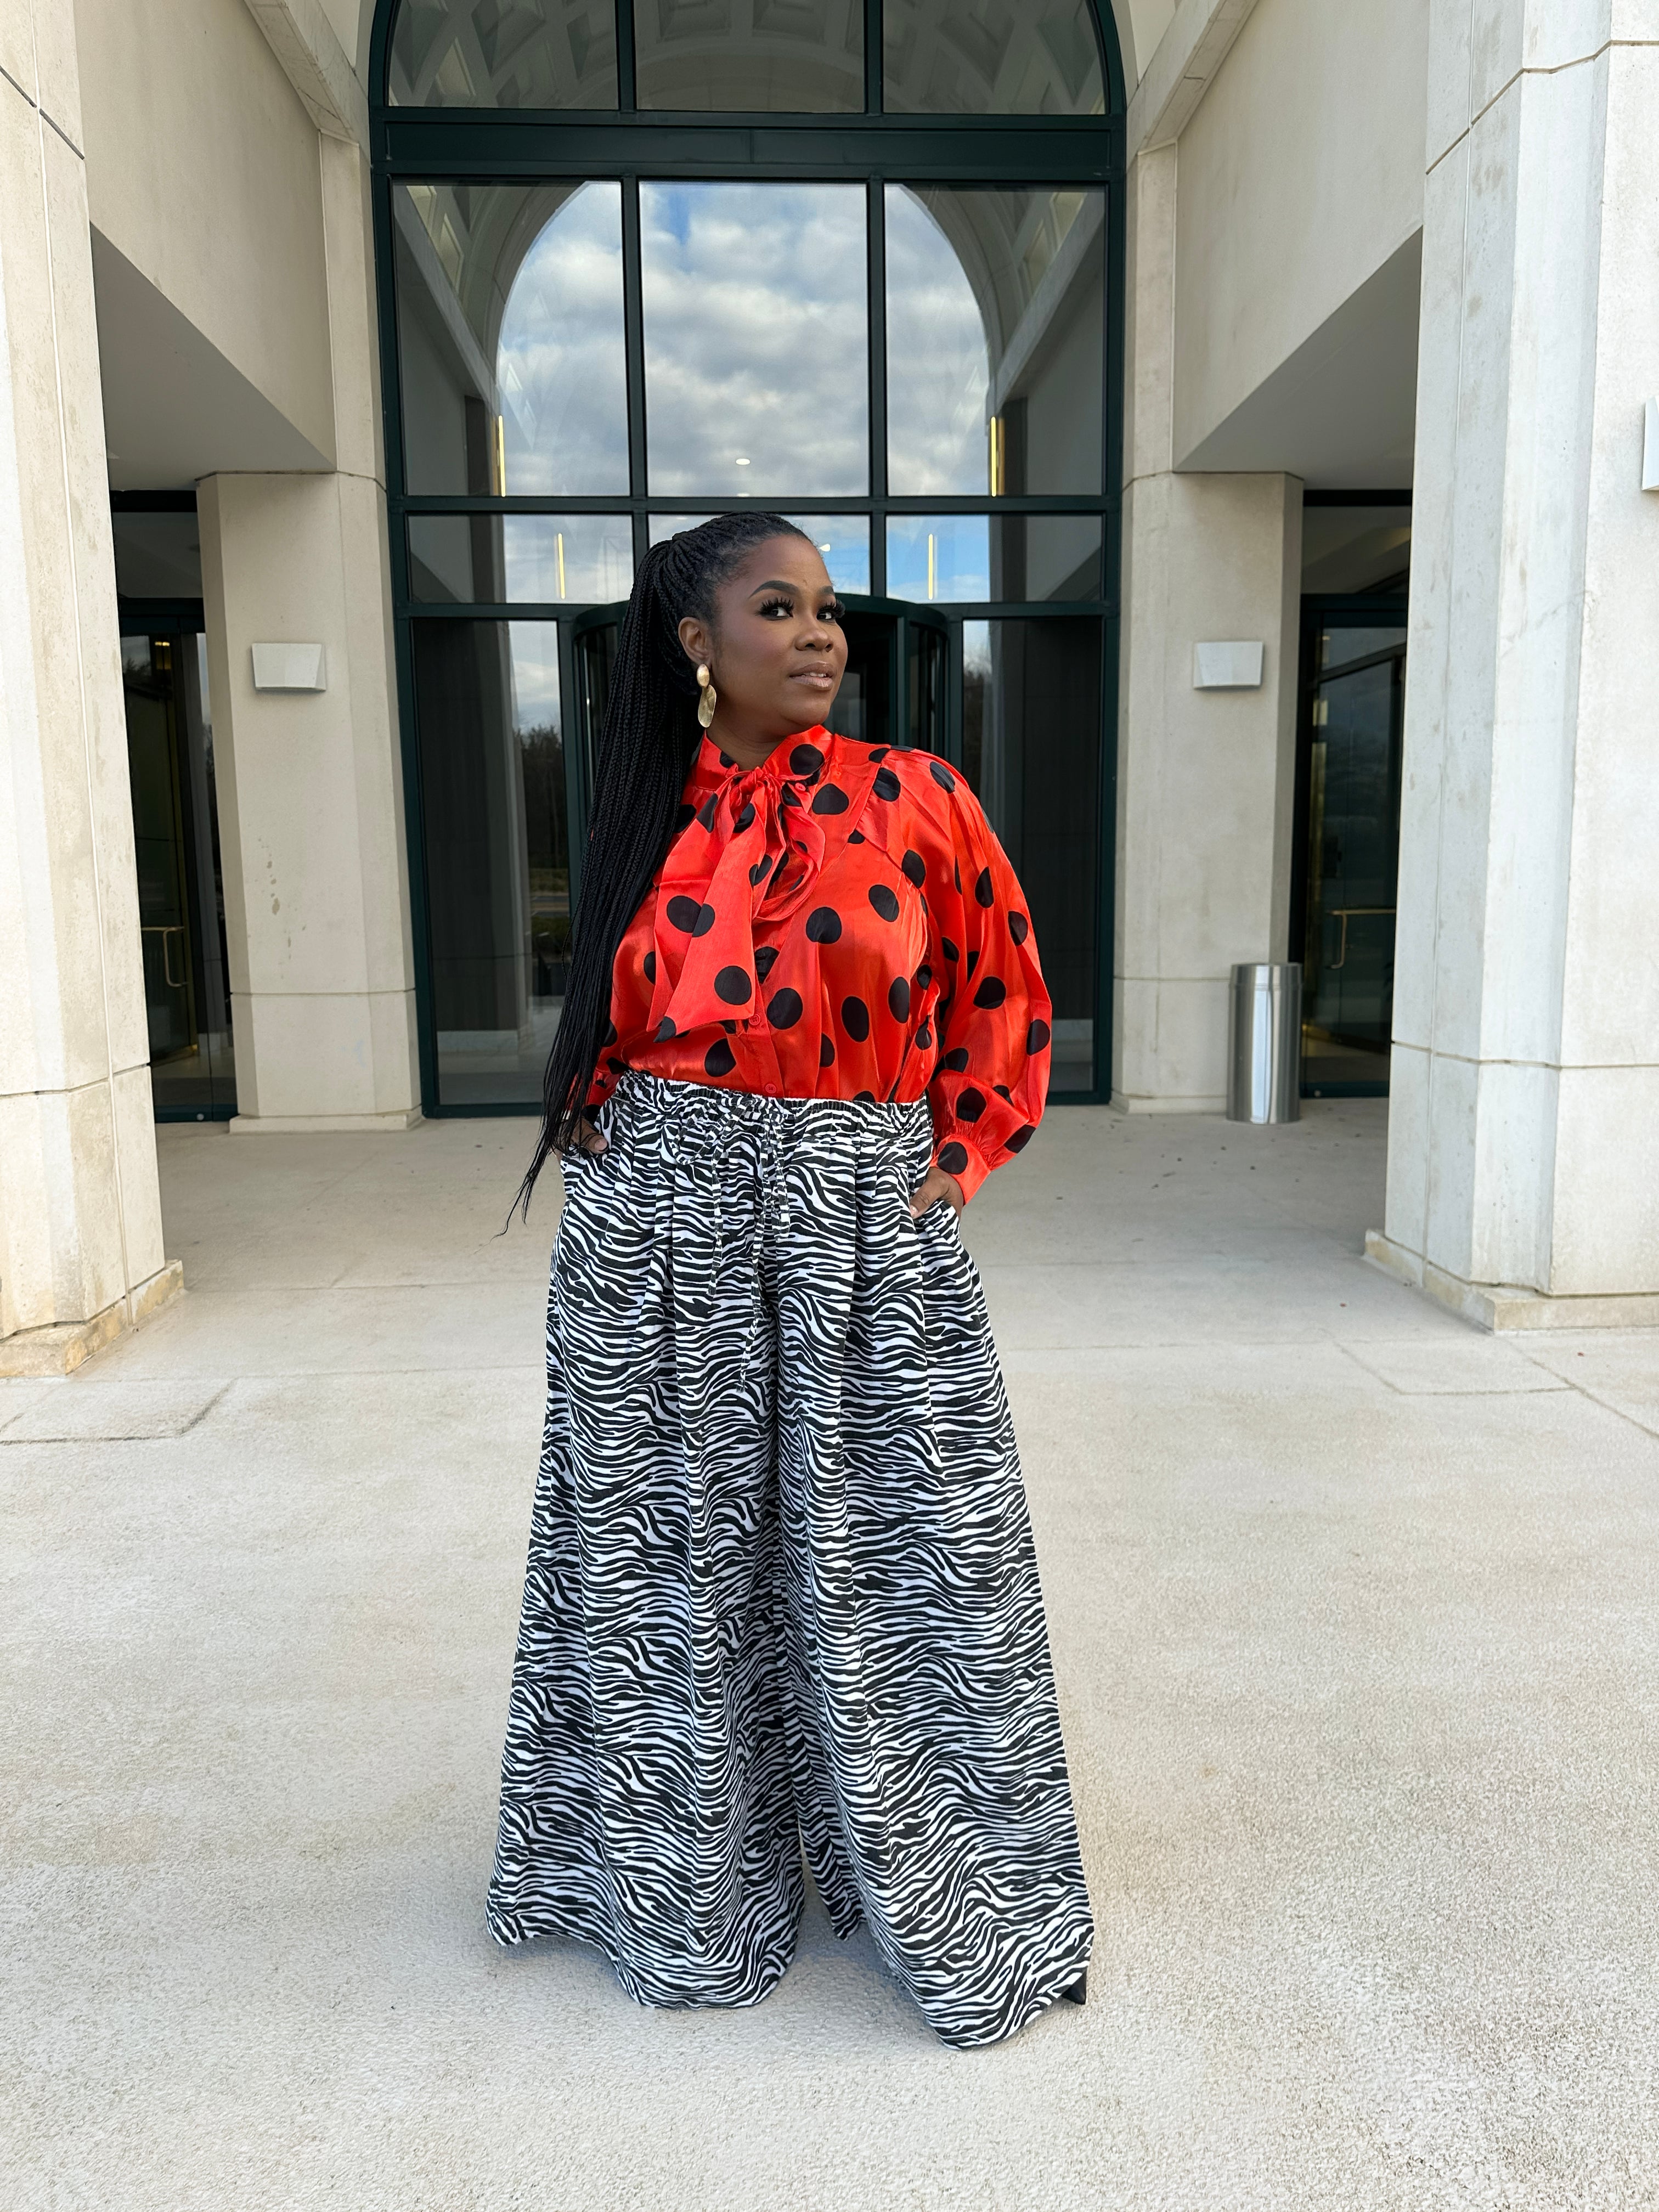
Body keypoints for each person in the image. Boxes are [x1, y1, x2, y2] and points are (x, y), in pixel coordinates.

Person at [487, 511, 1092, 2049]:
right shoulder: (647, 807)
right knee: (667, 1566)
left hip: (857, 1216)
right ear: (699, 642)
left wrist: (957, 1155)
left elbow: (1003, 984)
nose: (820, 634)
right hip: (659, 1223)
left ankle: (958, 1884)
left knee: (911, 1554)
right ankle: (684, 1892)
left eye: (826, 609)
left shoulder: (916, 795)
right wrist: (606, 1144)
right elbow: (610, 1013)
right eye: (779, 607)